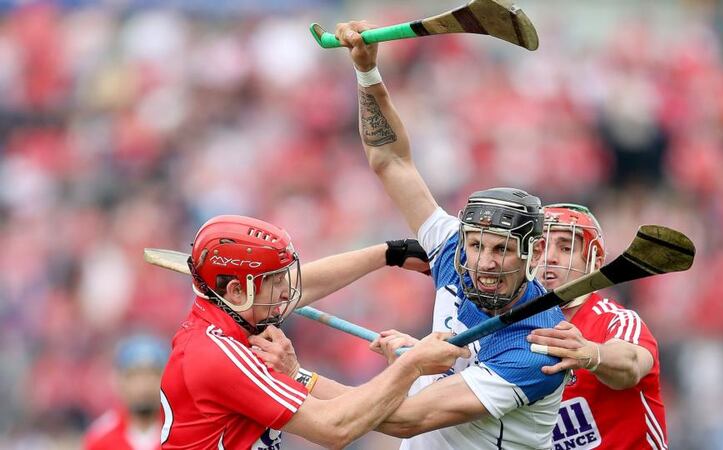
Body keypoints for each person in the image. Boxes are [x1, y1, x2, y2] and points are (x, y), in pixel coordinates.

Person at [329, 21, 568, 450]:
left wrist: (288, 379)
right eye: (477, 245)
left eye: (503, 249)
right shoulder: (453, 249)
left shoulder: (538, 348)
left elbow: (404, 420)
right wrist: (367, 70)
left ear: (532, 255)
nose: (485, 261)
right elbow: (390, 161)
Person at [158, 214, 469, 450]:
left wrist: (390, 254)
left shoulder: (232, 317)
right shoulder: (219, 355)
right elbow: (334, 428)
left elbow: (304, 287)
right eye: (275, 280)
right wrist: (411, 365)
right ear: (238, 290)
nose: (286, 292)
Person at [526, 203, 668, 449]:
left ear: (593, 262)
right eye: (540, 247)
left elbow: (632, 363)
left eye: (565, 247)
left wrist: (592, 354)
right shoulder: (513, 331)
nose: (549, 257)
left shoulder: (617, 320)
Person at [84, 334, 169, 450]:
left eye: (152, 374)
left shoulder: (182, 432)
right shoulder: (100, 436)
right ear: (119, 381)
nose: (143, 385)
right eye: (134, 376)